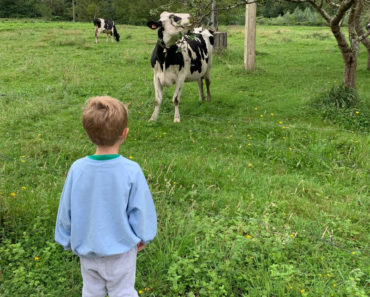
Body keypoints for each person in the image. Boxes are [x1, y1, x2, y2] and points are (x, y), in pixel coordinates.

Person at [55, 96, 157, 297]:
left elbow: (66, 208)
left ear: (87, 134)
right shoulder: (131, 171)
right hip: (121, 253)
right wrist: (144, 235)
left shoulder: (77, 169)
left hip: (88, 251)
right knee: (123, 292)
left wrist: (65, 238)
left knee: (91, 292)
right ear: (125, 134)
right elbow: (141, 209)